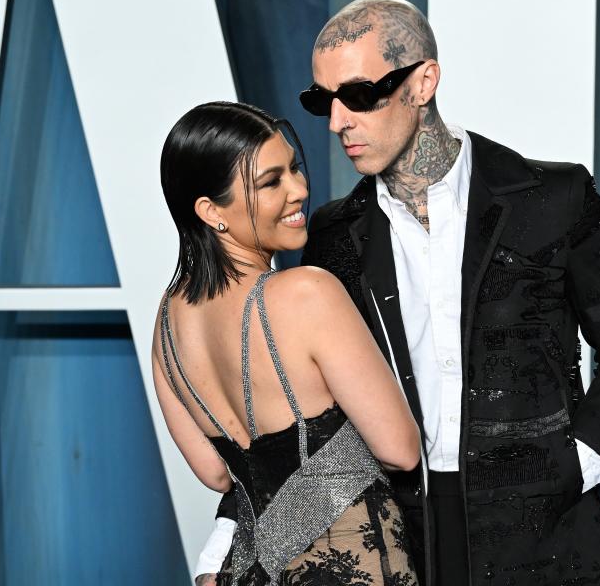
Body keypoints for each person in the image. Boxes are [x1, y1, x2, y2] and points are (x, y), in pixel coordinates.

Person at [201, 0, 600, 585]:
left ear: (423, 82)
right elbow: (305, 413)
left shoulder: (553, 197)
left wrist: (580, 461)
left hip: (544, 530)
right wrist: (228, 534)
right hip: (400, 528)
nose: (338, 121)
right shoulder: (332, 234)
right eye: (323, 100)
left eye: (360, 94)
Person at [153, 101, 421, 585]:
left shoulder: (169, 322)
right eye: (271, 182)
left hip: (251, 570)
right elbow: (401, 449)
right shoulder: (306, 292)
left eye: (294, 168)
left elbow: (216, 474)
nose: (299, 189)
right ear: (211, 211)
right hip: (352, 564)